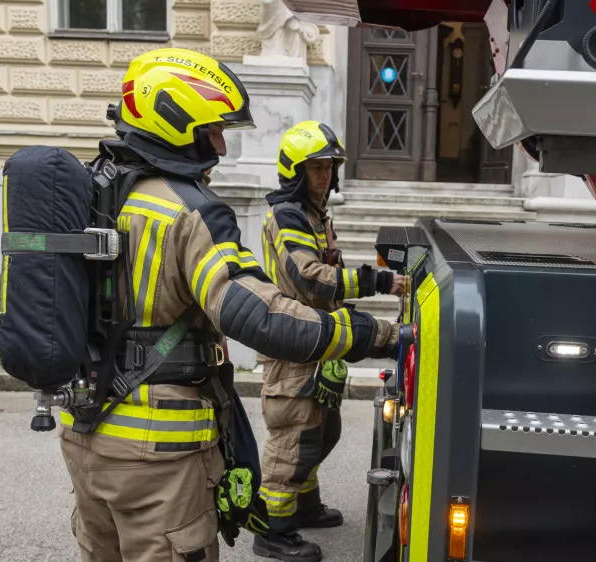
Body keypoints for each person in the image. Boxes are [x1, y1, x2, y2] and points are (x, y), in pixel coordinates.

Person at [57, 48, 402, 562]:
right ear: (175, 122)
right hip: (156, 455)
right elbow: (259, 316)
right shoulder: (188, 211)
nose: (220, 146)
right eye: (214, 130)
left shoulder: (91, 193)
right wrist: (381, 334)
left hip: (84, 433)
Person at [253, 121, 405, 561]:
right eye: (316, 167)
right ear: (295, 172)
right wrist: (378, 281)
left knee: (322, 429)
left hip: (318, 335)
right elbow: (311, 278)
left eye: (329, 167)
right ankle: (273, 530)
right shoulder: (289, 215)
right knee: (294, 436)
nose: (325, 175)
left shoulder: (316, 215)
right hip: (295, 339)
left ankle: (304, 505)